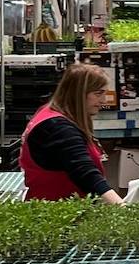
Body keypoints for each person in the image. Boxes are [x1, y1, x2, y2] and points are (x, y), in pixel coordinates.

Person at [20, 62, 122, 203]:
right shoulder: (58, 128)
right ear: (78, 93)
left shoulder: (49, 113)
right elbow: (86, 174)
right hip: (56, 211)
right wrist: (122, 206)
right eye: (98, 93)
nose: (103, 100)